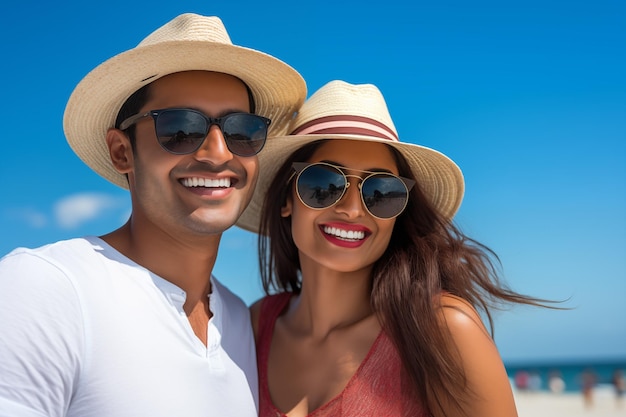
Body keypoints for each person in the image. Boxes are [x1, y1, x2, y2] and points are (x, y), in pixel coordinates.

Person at [0, 13, 305, 417]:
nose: (218, 153)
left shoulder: (240, 323)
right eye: (180, 128)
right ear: (122, 151)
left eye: (242, 131)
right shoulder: (45, 288)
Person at [236, 80, 551, 417]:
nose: (353, 209)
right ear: (286, 198)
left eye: (381, 192)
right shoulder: (255, 326)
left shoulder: (442, 331)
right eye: (324, 183)